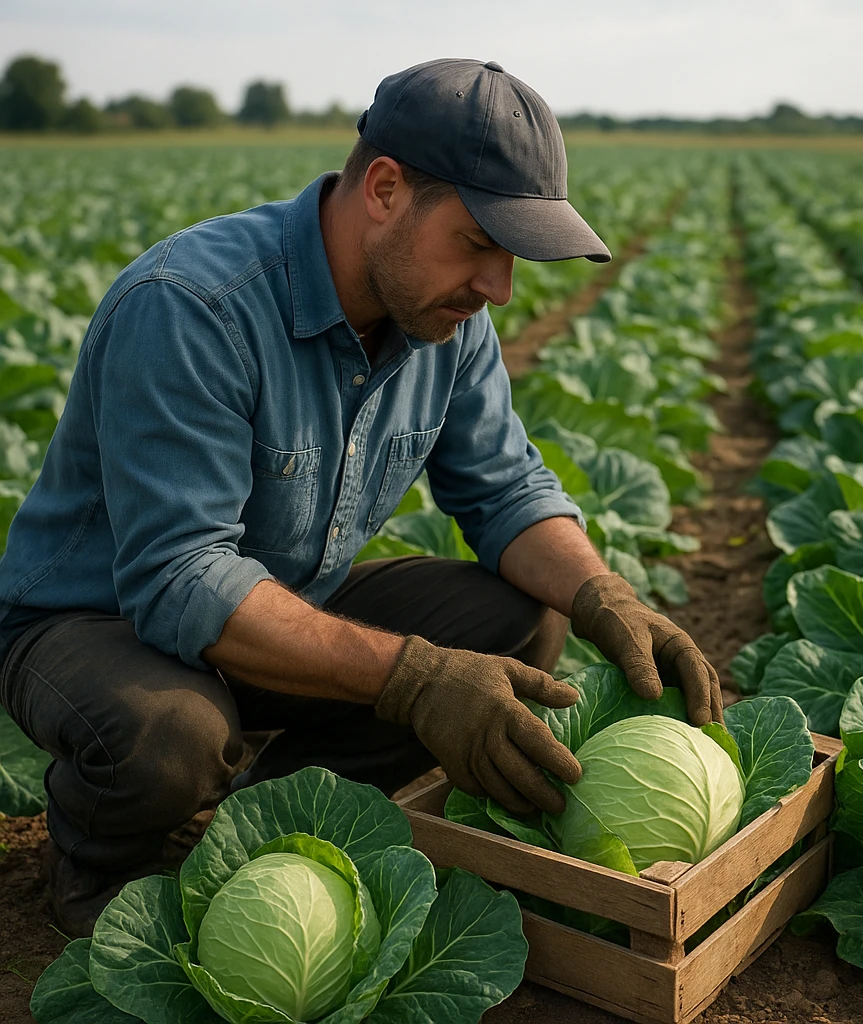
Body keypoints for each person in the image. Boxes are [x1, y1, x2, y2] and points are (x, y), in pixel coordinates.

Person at [0, 57, 723, 938]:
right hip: (96, 623)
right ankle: (97, 870)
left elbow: (504, 488)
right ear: (384, 188)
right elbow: (181, 580)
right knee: (171, 736)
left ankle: (265, 822)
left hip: (284, 600)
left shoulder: (443, 320)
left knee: (525, 623)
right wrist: (413, 680)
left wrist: (605, 595)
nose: (499, 288)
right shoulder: (191, 306)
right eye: (479, 243)